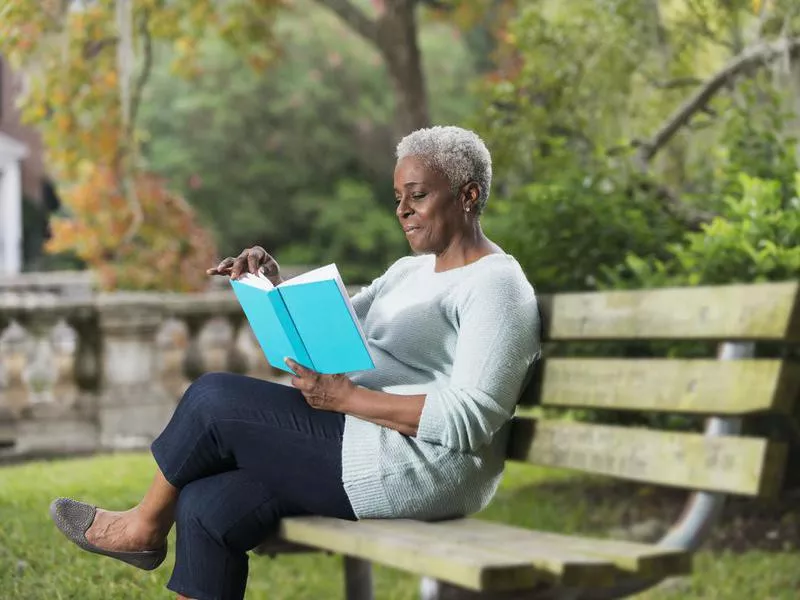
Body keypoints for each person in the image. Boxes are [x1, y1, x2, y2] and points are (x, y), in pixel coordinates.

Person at [50, 125, 540, 600]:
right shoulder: (410, 271)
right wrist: (273, 287)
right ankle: (151, 527)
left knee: (213, 400)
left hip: (424, 468)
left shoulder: (495, 286)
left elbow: (474, 418)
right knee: (207, 506)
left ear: (468, 195)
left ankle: (143, 527)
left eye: (417, 195)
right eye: (397, 198)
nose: (402, 210)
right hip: (361, 435)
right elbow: (335, 329)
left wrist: (349, 397)